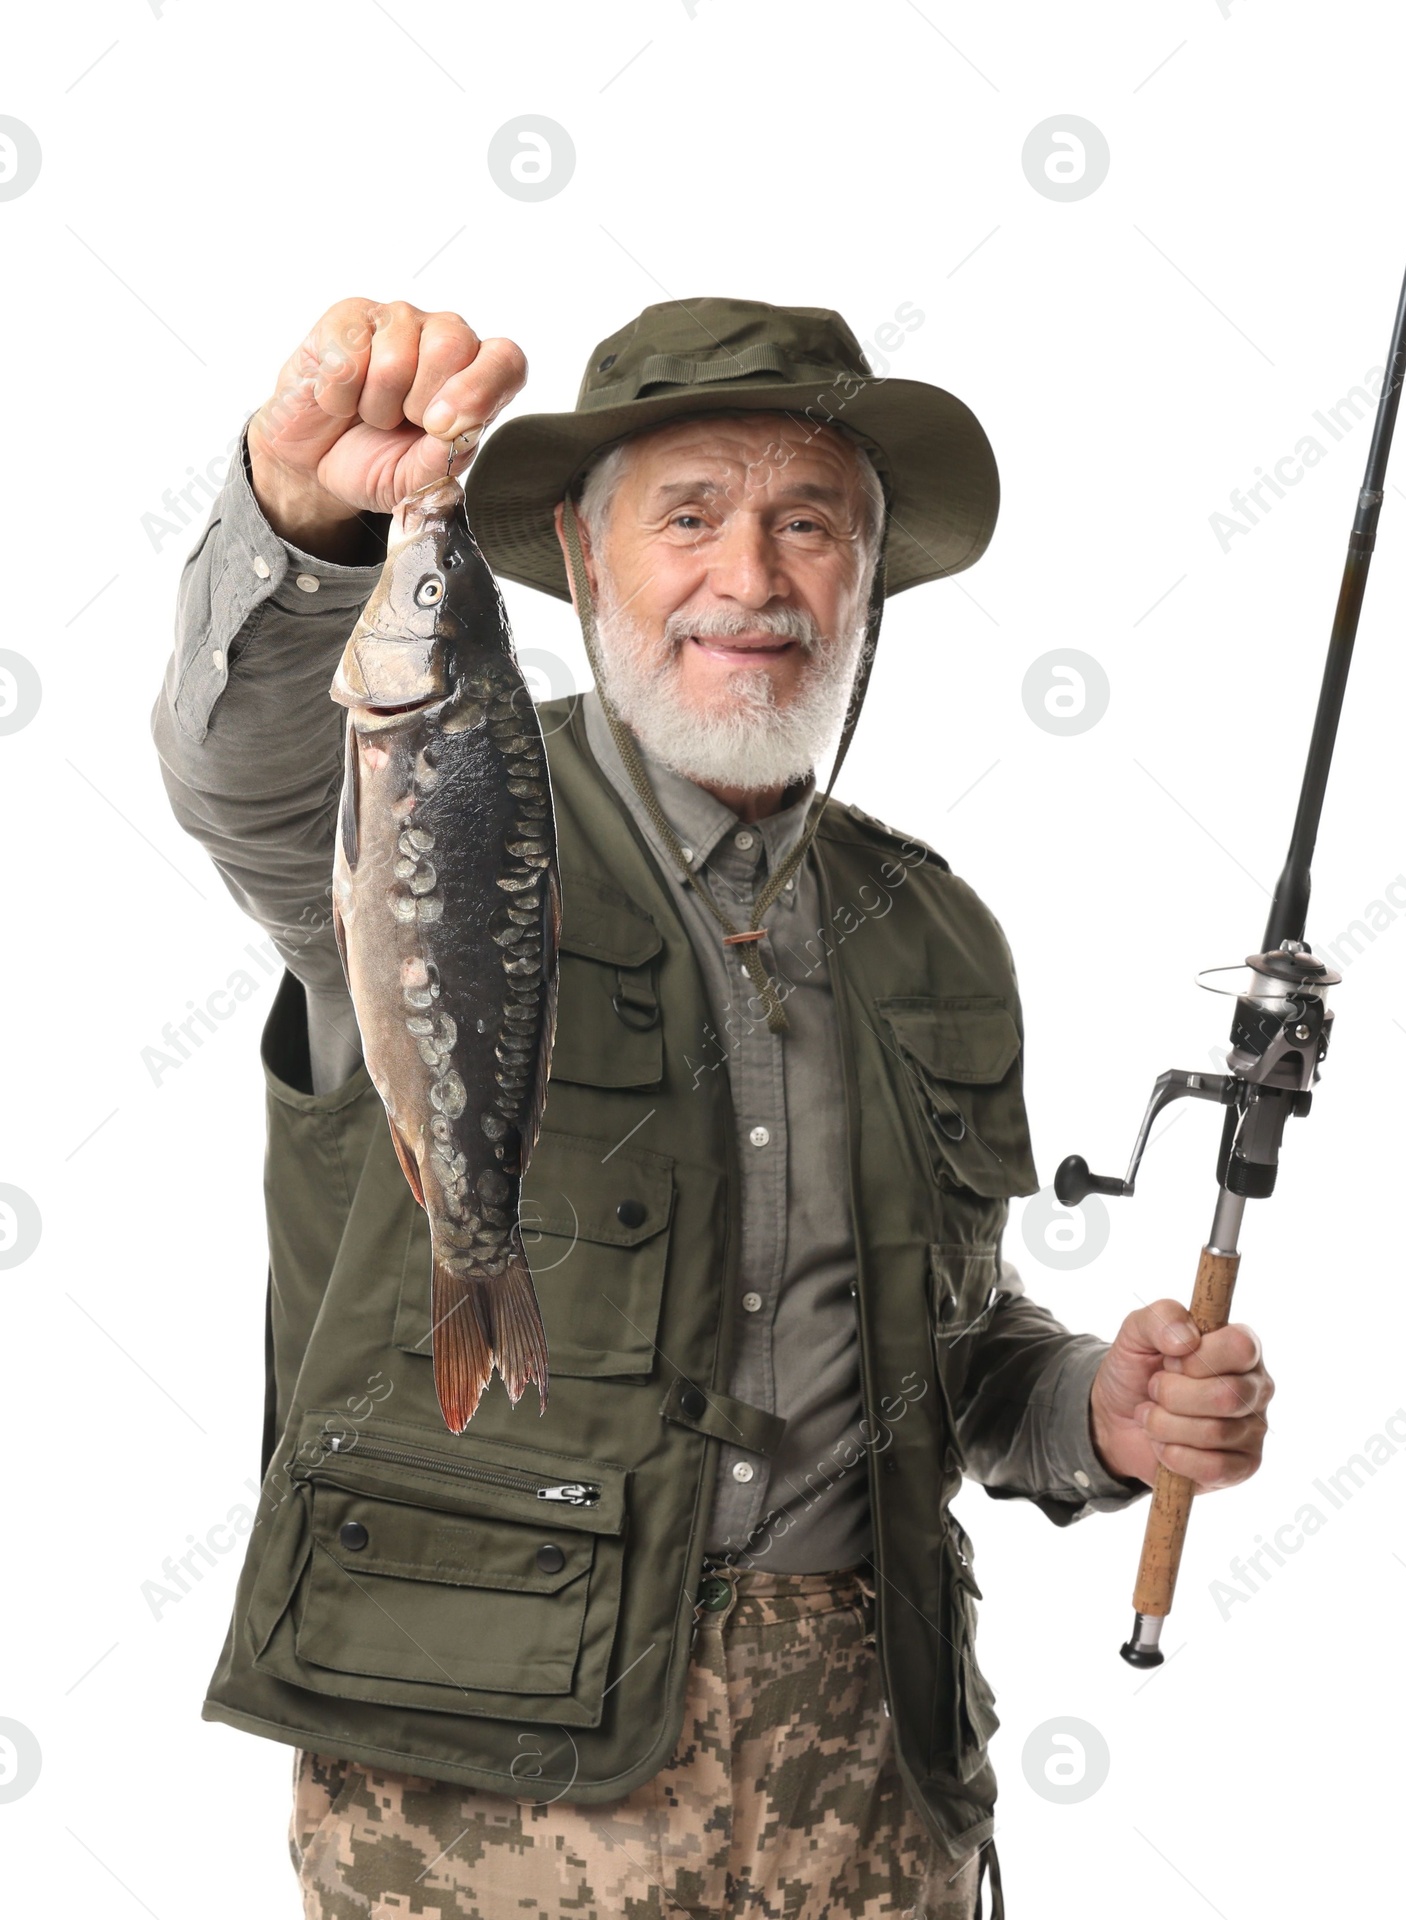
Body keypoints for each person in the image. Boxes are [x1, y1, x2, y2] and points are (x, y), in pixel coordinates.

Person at [152, 295, 1273, 1920]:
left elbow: (941, 1351)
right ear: (582, 552)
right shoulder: (433, 787)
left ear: (866, 580)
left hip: (871, 1799)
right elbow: (245, 767)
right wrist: (304, 519)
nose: (750, 581)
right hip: (484, 1800)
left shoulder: (934, 928)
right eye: (690, 517)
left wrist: (1095, 1407)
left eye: (806, 524)